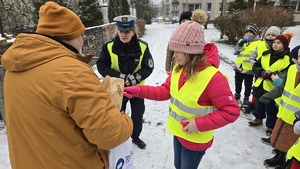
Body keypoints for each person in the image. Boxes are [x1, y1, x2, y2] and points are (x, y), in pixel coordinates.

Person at [1, 2, 133, 169]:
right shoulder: (74, 73)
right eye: (81, 36)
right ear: (72, 36)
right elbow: (109, 134)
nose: (83, 41)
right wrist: (125, 119)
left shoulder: (14, 68)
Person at [124, 21, 240, 169]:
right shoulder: (180, 68)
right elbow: (164, 91)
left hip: (195, 140)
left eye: (177, 51)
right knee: (178, 165)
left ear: (191, 51)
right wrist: (137, 91)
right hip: (179, 132)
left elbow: (231, 111)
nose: (174, 56)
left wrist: (198, 124)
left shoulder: (214, 79)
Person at [96, 15, 154, 149]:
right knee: (117, 115)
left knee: (138, 115)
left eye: (127, 31)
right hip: (117, 88)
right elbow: (101, 66)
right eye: (121, 31)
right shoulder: (109, 46)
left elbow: (148, 67)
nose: (124, 34)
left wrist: (135, 78)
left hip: (137, 89)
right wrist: (120, 76)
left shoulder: (143, 47)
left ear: (133, 31)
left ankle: (135, 136)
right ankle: (119, 138)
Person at [258, 45, 300, 168]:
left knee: (292, 143)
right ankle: (278, 157)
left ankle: (288, 162)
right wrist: (267, 97)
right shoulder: (292, 69)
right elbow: (282, 87)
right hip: (283, 112)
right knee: (280, 137)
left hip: (296, 118)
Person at [249, 32, 294, 136]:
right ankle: (258, 118)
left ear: (284, 45)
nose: (275, 44)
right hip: (261, 83)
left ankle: (270, 126)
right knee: (259, 102)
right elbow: (255, 65)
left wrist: (273, 76)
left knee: (272, 108)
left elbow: (286, 74)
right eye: (274, 42)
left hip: (274, 87)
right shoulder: (266, 54)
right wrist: (260, 72)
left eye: (278, 43)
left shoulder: (288, 59)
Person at [243, 26, 282, 114]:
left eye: (273, 35)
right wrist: (257, 69)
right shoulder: (260, 44)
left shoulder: (279, 47)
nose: (270, 36)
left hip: (273, 77)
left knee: (271, 94)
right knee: (257, 91)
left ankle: (268, 114)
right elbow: (252, 57)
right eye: (268, 34)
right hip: (260, 74)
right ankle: (255, 106)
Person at [233, 24, 260, 108]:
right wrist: (240, 44)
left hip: (249, 68)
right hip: (239, 67)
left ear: (254, 34)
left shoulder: (258, 43)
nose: (248, 34)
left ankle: (246, 98)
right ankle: (237, 95)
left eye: (250, 32)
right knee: (238, 82)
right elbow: (235, 52)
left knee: (248, 84)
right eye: (247, 32)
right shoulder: (242, 41)